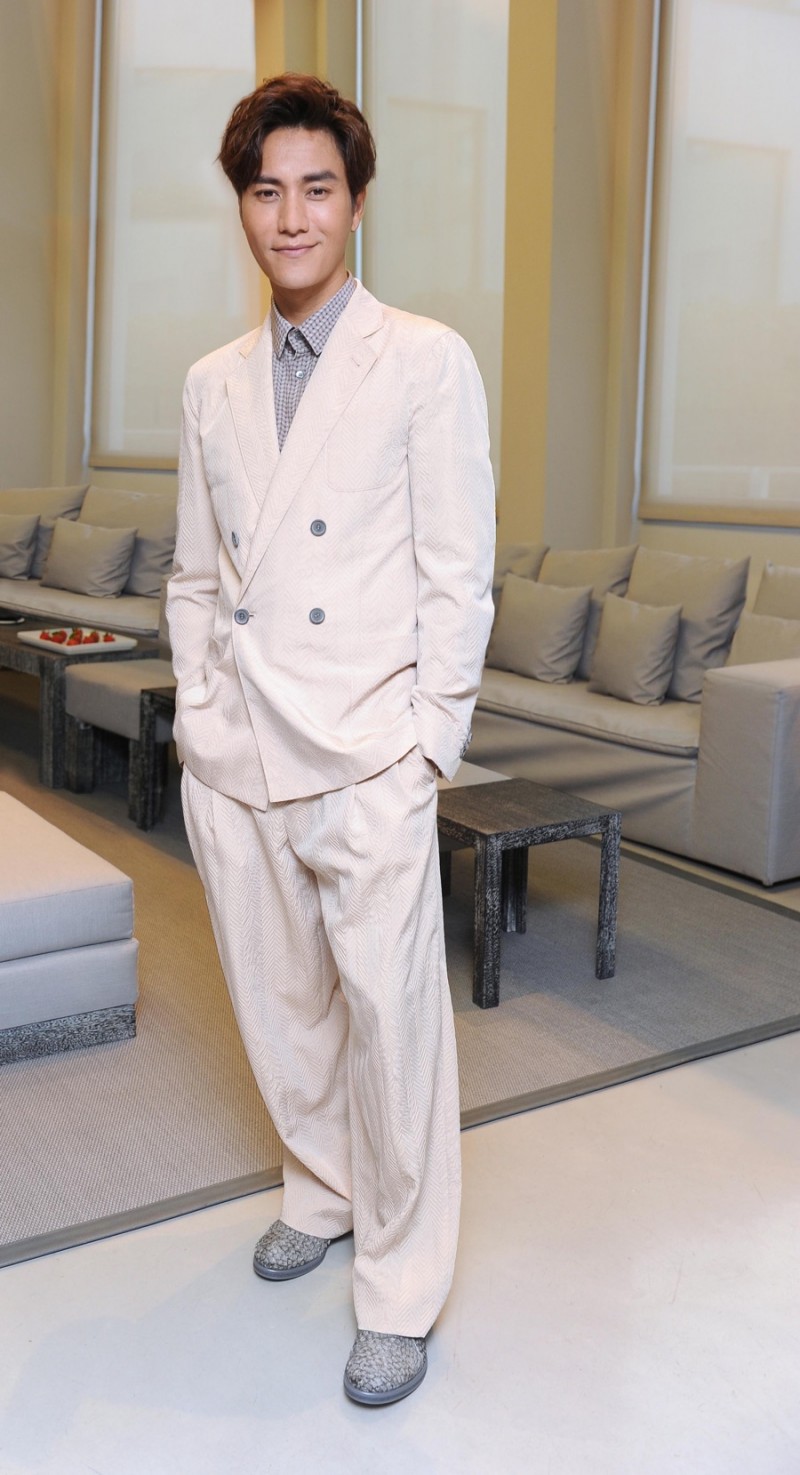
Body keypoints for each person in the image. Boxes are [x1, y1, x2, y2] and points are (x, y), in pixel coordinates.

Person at [167, 72, 495, 1406]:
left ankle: (403, 1283)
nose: (290, 215)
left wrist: (423, 751)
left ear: (355, 201)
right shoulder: (211, 381)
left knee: (394, 1026)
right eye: (265, 190)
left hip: (365, 755)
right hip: (239, 754)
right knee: (280, 1011)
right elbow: (198, 571)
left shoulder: (423, 359)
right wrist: (196, 713)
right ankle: (322, 1189)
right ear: (241, 206)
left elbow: (456, 575)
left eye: (316, 187)